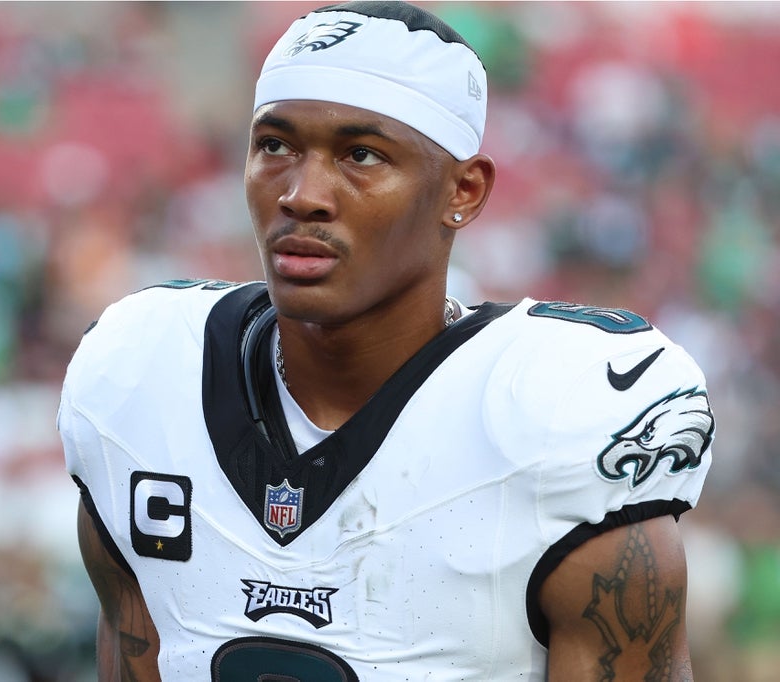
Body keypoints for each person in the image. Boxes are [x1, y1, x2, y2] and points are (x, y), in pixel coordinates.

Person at [57, 2, 714, 679]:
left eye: (361, 155)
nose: (303, 194)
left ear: (463, 190)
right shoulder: (141, 378)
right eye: (275, 145)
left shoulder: (555, 419)